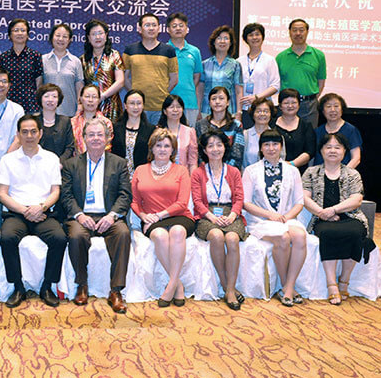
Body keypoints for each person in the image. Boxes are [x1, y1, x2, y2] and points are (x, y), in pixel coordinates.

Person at [61, 119, 132, 313]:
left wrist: (112, 216)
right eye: (91, 134)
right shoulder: (71, 164)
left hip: (109, 215)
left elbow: (125, 195)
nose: (95, 138)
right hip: (82, 215)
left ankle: (116, 291)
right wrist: (79, 215)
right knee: (76, 235)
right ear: (84, 138)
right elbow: (66, 196)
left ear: (107, 138)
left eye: (100, 134)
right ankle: (82, 285)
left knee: (123, 234)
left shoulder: (119, 163)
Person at [0, 114, 67, 308]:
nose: (29, 136)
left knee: (59, 238)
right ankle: (18, 287)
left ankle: (47, 286)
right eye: (25, 132)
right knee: (7, 238)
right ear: (18, 135)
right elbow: (2, 194)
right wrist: (24, 210)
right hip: (16, 212)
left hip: (44, 212)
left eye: (33, 131)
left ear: (40, 133)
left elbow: (56, 191)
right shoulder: (7, 160)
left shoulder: (51, 159)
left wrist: (41, 207)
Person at [302, 133, 374, 305]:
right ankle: (331, 284)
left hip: (350, 217)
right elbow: (304, 197)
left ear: (344, 151)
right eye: (328, 147)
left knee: (356, 233)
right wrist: (322, 212)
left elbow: (356, 200)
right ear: (321, 150)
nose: (332, 151)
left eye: (337, 147)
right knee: (327, 233)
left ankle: (344, 280)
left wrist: (333, 210)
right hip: (321, 219)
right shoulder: (311, 172)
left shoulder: (352, 174)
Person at [242, 129, 306, 307]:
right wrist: (270, 215)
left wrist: (286, 217)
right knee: (283, 238)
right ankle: (288, 287)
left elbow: (299, 202)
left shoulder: (292, 170)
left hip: (286, 218)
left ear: (281, 147)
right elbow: (246, 203)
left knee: (300, 236)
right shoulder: (251, 171)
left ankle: (288, 287)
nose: (271, 148)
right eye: (266, 144)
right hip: (261, 220)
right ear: (261, 148)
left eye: (275, 144)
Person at [131, 128, 194, 308]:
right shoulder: (140, 170)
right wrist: (143, 216)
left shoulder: (181, 171)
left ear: (173, 150)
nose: (162, 149)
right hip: (151, 219)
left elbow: (182, 203)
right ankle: (178, 285)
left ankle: (171, 286)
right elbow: (135, 201)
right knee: (159, 236)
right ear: (152, 148)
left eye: (167, 146)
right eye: (158, 145)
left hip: (178, 216)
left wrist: (159, 215)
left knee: (177, 232)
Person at [191, 130, 247, 310]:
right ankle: (227, 287)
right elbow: (197, 201)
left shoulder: (234, 171)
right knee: (216, 236)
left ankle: (230, 288)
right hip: (207, 214)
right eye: (210, 146)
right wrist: (212, 217)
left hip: (230, 213)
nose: (215, 149)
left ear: (225, 147)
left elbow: (239, 198)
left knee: (232, 238)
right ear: (204, 150)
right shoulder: (198, 173)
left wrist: (232, 215)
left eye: (219, 145)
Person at [123, 13, 179, 125]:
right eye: (147, 25)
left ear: (159, 28)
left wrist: (162, 93)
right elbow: (124, 78)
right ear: (140, 29)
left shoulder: (168, 50)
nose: (151, 28)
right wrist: (135, 94)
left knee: (158, 135)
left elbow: (174, 78)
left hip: (160, 107)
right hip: (137, 107)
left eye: (154, 25)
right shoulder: (130, 50)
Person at [276, 18, 326, 128]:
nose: (298, 33)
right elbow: (277, 83)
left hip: (309, 105)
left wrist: (311, 98)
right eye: (294, 30)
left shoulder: (318, 55)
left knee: (309, 135)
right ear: (289, 32)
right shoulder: (280, 57)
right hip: (287, 105)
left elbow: (321, 82)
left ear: (307, 32)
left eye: (301, 30)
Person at [236, 22, 280, 129]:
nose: (254, 37)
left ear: (262, 37)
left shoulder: (269, 60)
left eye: (257, 34)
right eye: (251, 35)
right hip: (245, 109)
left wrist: (256, 97)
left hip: (264, 109)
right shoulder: (239, 61)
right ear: (245, 39)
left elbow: (275, 86)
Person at [80, 19, 124, 122]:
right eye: (94, 34)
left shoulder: (114, 55)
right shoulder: (83, 59)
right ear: (88, 37)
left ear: (106, 35)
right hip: (90, 105)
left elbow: (120, 81)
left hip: (111, 105)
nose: (98, 37)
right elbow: (81, 85)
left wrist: (103, 96)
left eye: (100, 33)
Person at [0, 18, 44, 114]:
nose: (19, 33)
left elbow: (39, 83)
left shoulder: (35, 56)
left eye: (23, 30)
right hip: (8, 104)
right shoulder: (3, 58)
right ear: (10, 35)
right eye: (16, 30)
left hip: (30, 105)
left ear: (27, 35)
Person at [198, 25, 243, 121]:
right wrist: (198, 110)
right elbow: (200, 89)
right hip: (206, 110)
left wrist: (239, 112)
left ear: (230, 43)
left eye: (226, 38)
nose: (222, 41)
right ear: (214, 42)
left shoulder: (235, 65)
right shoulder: (204, 64)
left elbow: (239, 91)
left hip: (229, 111)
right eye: (219, 38)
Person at [167, 13, 203, 127]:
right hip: (168, 102)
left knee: (189, 136)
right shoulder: (163, 50)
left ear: (187, 29)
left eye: (181, 25)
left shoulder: (195, 51)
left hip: (189, 103)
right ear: (168, 30)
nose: (178, 28)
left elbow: (197, 77)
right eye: (174, 26)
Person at [195, 86, 244, 168]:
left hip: (230, 171)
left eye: (221, 98)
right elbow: (199, 152)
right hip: (205, 170)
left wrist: (225, 171)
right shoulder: (200, 124)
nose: (217, 102)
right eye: (214, 99)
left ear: (228, 102)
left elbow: (237, 154)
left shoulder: (236, 125)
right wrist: (207, 170)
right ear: (209, 103)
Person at [112, 89, 156, 179]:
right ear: (125, 106)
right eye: (132, 103)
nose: (135, 107)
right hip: (119, 176)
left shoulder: (151, 130)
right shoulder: (116, 128)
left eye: (139, 103)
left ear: (143, 106)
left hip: (143, 177)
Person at [41, 23, 84, 117]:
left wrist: (80, 106)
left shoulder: (76, 61)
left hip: (69, 112)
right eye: (57, 35)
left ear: (70, 40)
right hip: (46, 112)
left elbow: (79, 87)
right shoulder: (43, 60)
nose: (60, 39)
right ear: (52, 37)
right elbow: (39, 86)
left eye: (65, 36)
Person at [272, 88, 316, 175]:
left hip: (299, 173)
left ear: (299, 105)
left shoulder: (306, 126)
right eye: (286, 103)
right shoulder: (272, 125)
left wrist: (291, 164)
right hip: (274, 170)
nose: (290, 106)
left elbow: (310, 152)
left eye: (294, 103)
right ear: (280, 106)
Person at [314, 93, 362, 168]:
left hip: (344, 173)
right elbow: (312, 157)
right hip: (320, 173)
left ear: (342, 109)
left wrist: (343, 173)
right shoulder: (317, 131)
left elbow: (356, 158)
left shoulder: (351, 130)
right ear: (323, 111)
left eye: (336, 106)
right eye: (328, 106)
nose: (333, 110)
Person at [158, 94, 198, 174]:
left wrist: (191, 179)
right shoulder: (158, 132)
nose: (175, 110)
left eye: (178, 107)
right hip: (162, 175)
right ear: (165, 111)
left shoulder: (190, 131)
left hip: (183, 176)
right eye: (171, 107)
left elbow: (193, 161)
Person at [35, 83, 75, 162]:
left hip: (60, 164)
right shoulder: (34, 121)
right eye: (46, 96)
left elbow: (70, 147)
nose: (50, 100)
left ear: (58, 100)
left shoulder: (65, 121)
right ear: (40, 99)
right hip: (36, 163)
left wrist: (59, 163)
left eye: (54, 96)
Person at [70, 84, 113, 155]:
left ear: (99, 100)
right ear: (81, 99)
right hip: (77, 160)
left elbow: (107, 147)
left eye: (94, 97)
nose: (90, 100)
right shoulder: (72, 122)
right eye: (87, 96)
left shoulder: (106, 123)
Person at [243, 97, 275, 169]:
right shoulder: (245, 135)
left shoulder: (277, 136)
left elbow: (281, 159)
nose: (262, 114)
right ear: (253, 114)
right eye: (258, 111)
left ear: (271, 114)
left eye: (266, 111)